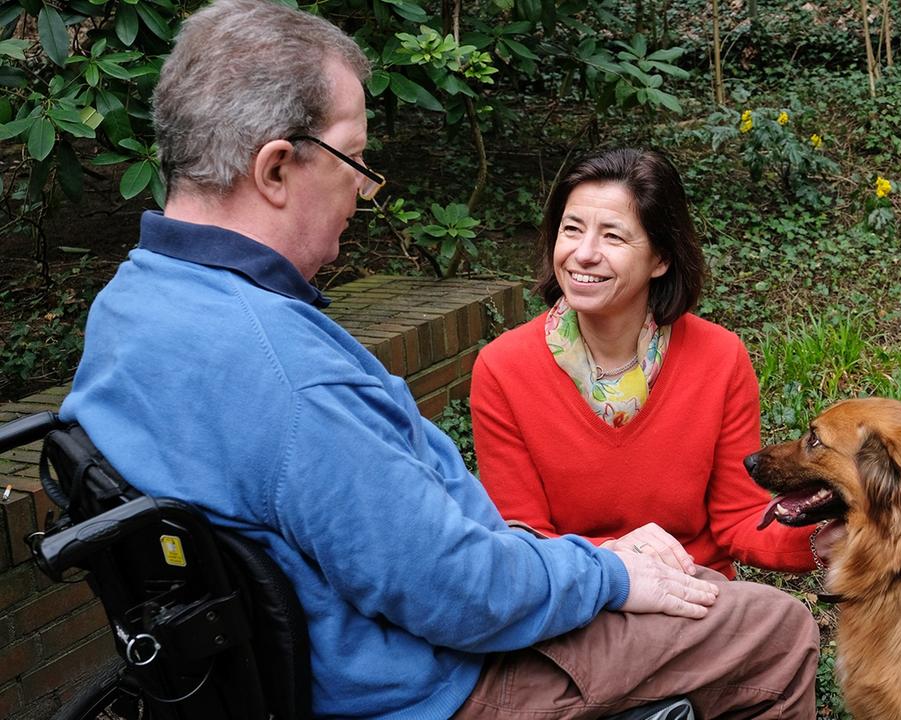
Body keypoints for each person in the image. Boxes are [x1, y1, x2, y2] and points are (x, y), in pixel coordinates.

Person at [60, 1, 819, 718]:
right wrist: (612, 571)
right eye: (353, 158)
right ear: (276, 169)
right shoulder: (294, 378)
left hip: (319, 660)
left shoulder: (132, 306)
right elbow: (460, 594)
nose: (363, 190)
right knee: (777, 632)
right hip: (437, 685)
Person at [471, 148, 827, 579]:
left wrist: (825, 542)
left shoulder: (720, 358)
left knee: (786, 628)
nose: (583, 254)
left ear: (660, 258)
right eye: (572, 229)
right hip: (578, 595)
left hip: (696, 592)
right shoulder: (504, 368)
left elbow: (738, 519)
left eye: (613, 236)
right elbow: (522, 540)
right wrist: (615, 557)